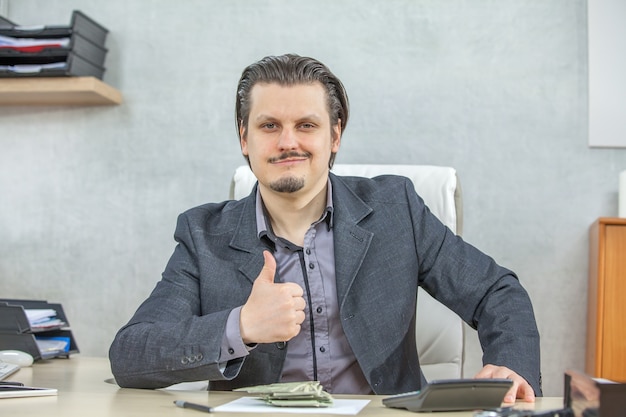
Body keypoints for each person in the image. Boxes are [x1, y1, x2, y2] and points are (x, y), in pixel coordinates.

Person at [109, 54, 541, 402]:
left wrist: (512, 365)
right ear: (244, 138)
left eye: (307, 126)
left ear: (335, 136)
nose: (288, 142)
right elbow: (131, 354)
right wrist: (239, 326)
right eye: (269, 126)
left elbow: (495, 291)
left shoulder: (396, 210)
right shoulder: (203, 235)